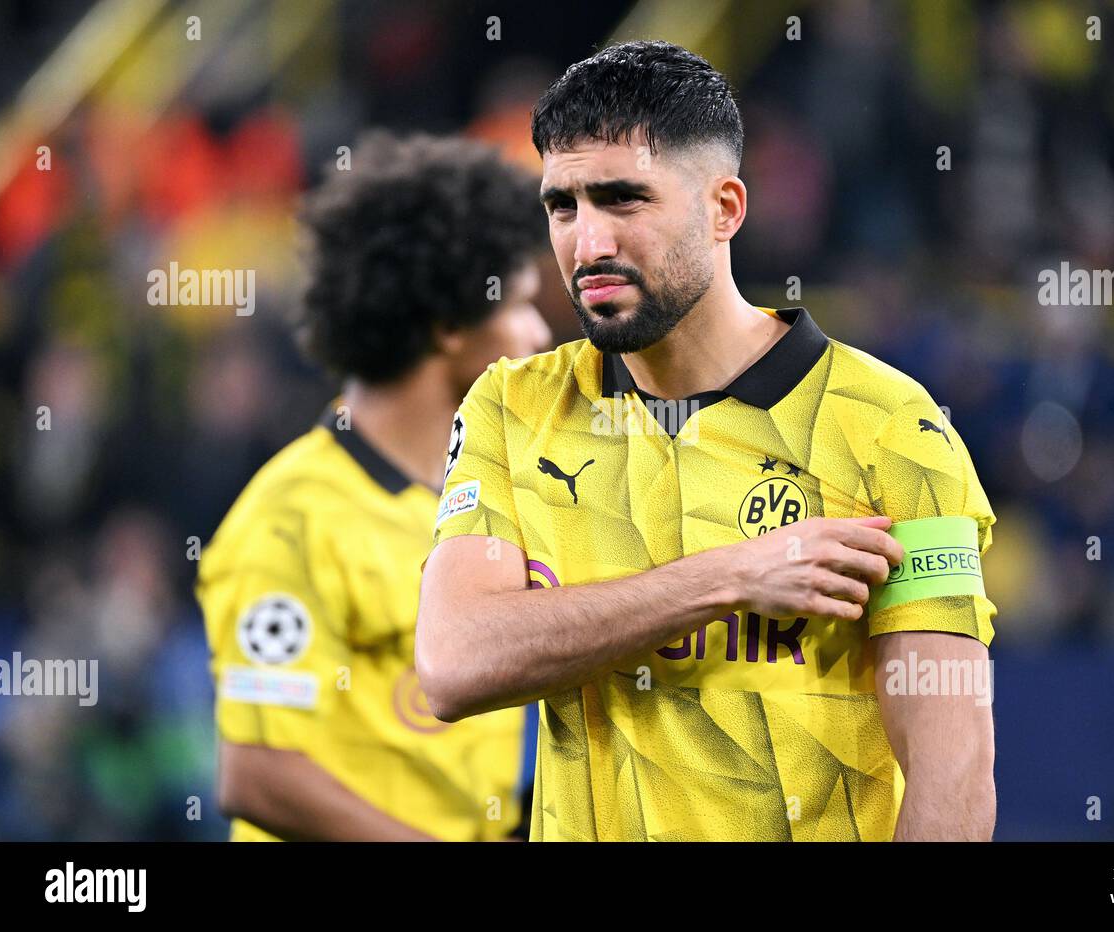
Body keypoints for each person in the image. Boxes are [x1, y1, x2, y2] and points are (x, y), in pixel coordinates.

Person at [418, 41, 997, 841]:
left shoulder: (893, 427)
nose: (587, 246)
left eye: (624, 200)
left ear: (724, 208)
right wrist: (730, 577)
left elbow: (953, 777)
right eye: (563, 206)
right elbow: (453, 663)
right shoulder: (513, 407)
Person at [198, 131, 551, 840]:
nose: (539, 333)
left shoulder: (495, 499)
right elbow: (258, 771)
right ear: (450, 324)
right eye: (518, 303)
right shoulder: (291, 518)